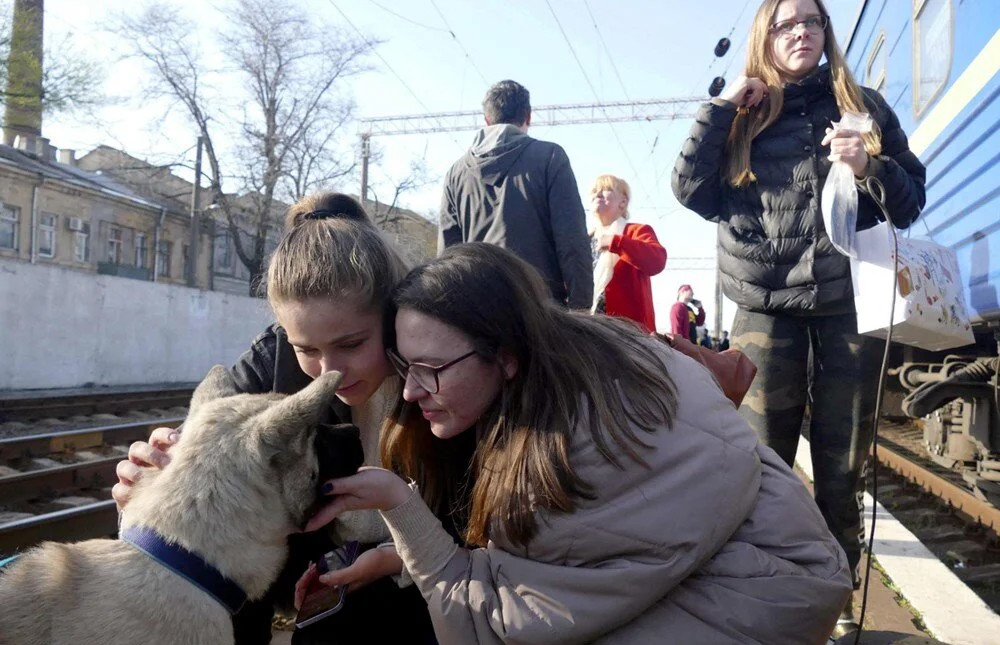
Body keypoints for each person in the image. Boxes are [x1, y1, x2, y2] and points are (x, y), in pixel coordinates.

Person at [304, 242, 852, 644]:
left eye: (431, 368)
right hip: (773, 565)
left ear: (507, 356)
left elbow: (492, 628)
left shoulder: (570, 451)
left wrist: (400, 510)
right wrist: (391, 557)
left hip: (764, 600)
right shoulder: (582, 353)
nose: (410, 389)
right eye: (405, 365)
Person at [671, 0, 925, 634]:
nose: (801, 32)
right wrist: (722, 108)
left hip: (845, 306)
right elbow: (689, 191)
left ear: (825, 33)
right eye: (786, 24)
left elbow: (912, 199)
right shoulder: (745, 112)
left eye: (812, 21)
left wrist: (871, 166)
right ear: (767, 36)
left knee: (842, 470)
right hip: (763, 308)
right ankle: (767, 603)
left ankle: (838, 604)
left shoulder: (860, 105)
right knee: (761, 468)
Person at [112, 193, 436, 645]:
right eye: (307, 349)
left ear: (393, 314)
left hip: (427, 576)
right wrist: (151, 482)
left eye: (351, 343)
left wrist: (397, 557)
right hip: (312, 574)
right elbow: (206, 455)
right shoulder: (273, 357)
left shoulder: (439, 360)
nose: (329, 372)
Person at [438, 79, 593, 309]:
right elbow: (572, 241)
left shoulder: (456, 173)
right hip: (540, 310)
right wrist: (580, 310)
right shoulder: (550, 157)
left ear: (487, 120)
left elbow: (447, 257)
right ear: (528, 116)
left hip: (478, 313)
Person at [588, 174, 666, 333]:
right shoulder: (585, 240)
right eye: (595, 191)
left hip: (630, 337)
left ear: (623, 202)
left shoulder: (636, 231)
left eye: (606, 189)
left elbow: (657, 261)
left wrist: (615, 242)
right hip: (590, 330)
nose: (597, 194)